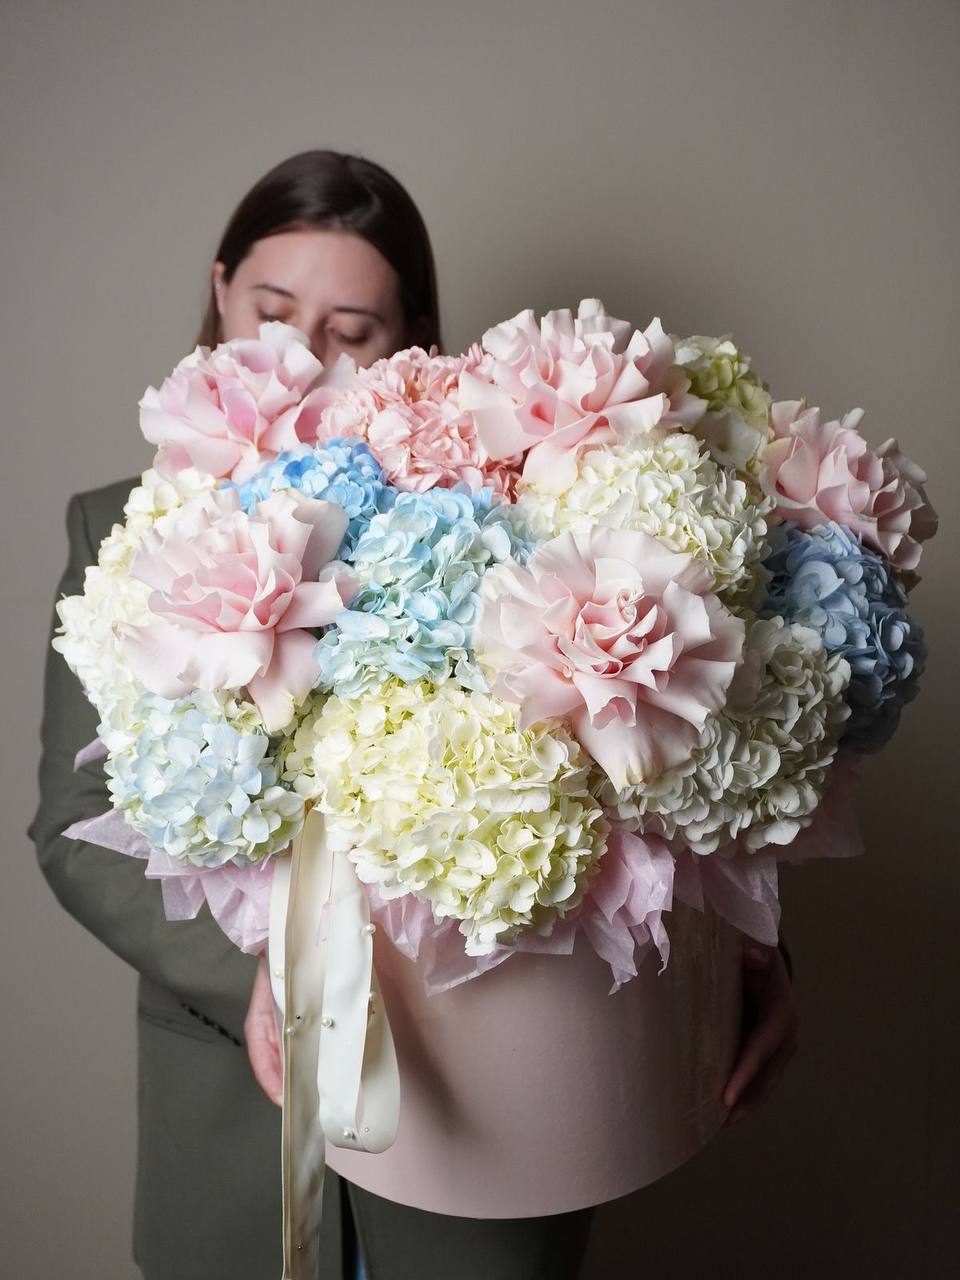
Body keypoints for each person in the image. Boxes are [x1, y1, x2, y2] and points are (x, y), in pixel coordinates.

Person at [29, 148, 798, 1280]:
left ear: (411, 344)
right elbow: (74, 827)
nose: (303, 354)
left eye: (352, 331)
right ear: (219, 290)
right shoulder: (118, 526)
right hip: (230, 1117)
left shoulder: (511, 515)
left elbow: (662, 774)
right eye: (271, 310)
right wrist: (278, 970)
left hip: (495, 1122)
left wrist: (751, 951)